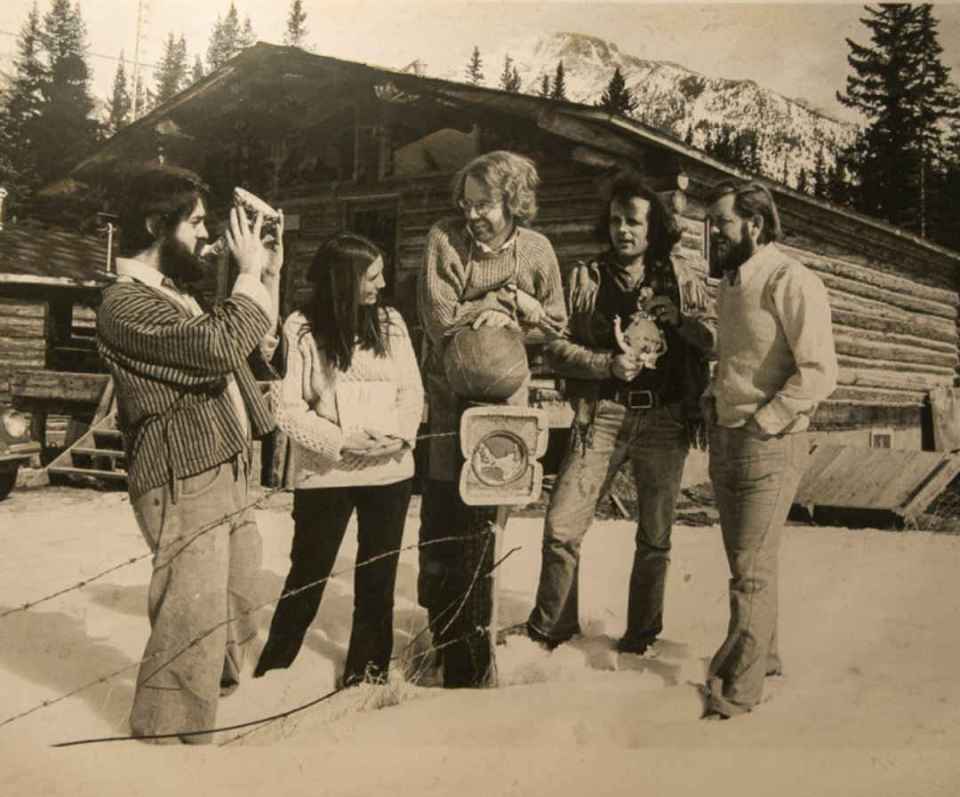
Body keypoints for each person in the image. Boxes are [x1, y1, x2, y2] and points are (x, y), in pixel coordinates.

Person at [96, 164, 284, 743]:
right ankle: (168, 737)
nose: (206, 235)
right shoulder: (123, 305)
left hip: (220, 462)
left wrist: (267, 274)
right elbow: (217, 346)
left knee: (234, 594)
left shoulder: (173, 293)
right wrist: (248, 275)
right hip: (181, 470)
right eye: (196, 222)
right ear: (157, 224)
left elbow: (248, 341)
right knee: (190, 609)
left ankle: (212, 696)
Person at [525, 171, 715, 653]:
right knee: (562, 527)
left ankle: (641, 638)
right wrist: (605, 364)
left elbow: (717, 342)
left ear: (654, 229)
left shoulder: (683, 276)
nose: (622, 230)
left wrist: (686, 324)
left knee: (655, 536)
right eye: (615, 221)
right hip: (601, 414)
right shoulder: (585, 276)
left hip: (666, 418)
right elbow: (554, 348)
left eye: (633, 221)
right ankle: (552, 630)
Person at [417, 149, 566, 686]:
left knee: (484, 520)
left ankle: (472, 654)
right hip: (448, 397)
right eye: (466, 201)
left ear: (514, 202)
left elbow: (555, 322)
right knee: (441, 516)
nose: (471, 213)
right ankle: (440, 633)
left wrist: (520, 311)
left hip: (504, 401)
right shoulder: (444, 239)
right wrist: (493, 309)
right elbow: (438, 318)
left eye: (484, 204)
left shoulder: (538, 251)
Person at [254, 233, 424, 688]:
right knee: (308, 573)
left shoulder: (390, 322)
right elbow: (286, 408)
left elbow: (412, 392)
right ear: (345, 279)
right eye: (372, 276)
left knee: (378, 580)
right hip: (326, 472)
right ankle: (273, 673)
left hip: (389, 471)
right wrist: (340, 440)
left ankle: (367, 677)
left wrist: (398, 437)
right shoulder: (300, 327)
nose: (382, 285)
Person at [702, 180, 837, 719]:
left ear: (754, 225)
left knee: (750, 570)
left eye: (721, 222)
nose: (711, 233)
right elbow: (736, 357)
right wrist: (714, 399)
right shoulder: (733, 282)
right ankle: (767, 656)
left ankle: (737, 691)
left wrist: (768, 420)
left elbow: (820, 371)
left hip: (771, 444)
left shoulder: (791, 280)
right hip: (728, 437)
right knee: (750, 563)